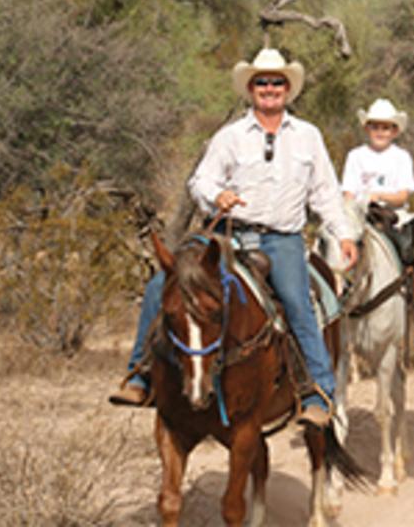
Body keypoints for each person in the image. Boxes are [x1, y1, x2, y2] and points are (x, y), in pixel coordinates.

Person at [109, 47, 358, 429]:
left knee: (297, 302)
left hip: (283, 239)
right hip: (230, 236)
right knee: (163, 283)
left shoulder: (308, 137)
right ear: (251, 88)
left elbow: (325, 191)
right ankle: (139, 376)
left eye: (276, 82)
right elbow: (201, 181)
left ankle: (317, 394)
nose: (270, 88)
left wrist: (343, 234)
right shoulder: (230, 136)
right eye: (262, 82)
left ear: (288, 88)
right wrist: (217, 196)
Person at [341, 97, 414, 337]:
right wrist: (357, 206)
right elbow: (347, 193)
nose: (380, 132)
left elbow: (402, 195)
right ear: (367, 128)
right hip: (361, 214)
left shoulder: (401, 157)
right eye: (375, 126)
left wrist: (379, 196)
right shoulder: (355, 156)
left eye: (386, 127)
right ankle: (338, 295)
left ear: (395, 130)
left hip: (394, 214)